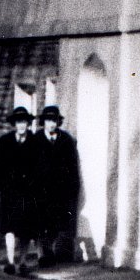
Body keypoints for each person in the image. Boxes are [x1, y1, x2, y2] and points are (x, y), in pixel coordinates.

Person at [0, 105, 43, 275]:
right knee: (10, 228)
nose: (21, 125)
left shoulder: (35, 142)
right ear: (14, 124)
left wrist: (36, 188)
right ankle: (10, 261)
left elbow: (39, 167)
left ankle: (22, 261)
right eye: (18, 122)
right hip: (10, 192)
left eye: (24, 122)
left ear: (28, 124)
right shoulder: (5, 141)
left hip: (28, 192)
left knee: (26, 230)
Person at [37, 105, 85, 265]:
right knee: (41, 222)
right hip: (40, 189)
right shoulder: (36, 139)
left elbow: (72, 166)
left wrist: (73, 187)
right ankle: (43, 253)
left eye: (54, 121)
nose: (51, 124)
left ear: (58, 122)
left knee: (56, 223)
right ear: (43, 122)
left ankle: (50, 251)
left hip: (60, 190)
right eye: (48, 120)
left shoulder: (66, 140)